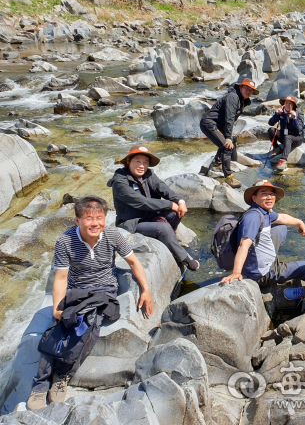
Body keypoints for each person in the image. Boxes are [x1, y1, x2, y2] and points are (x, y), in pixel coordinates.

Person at [26, 196, 153, 411]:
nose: (95, 223)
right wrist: (58, 307)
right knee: (59, 326)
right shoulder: (65, 241)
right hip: (77, 292)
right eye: (88, 218)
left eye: (99, 217)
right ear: (77, 221)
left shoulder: (113, 235)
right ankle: (40, 384)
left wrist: (146, 289)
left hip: (104, 291)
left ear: (105, 218)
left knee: (88, 326)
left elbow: (133, 262)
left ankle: (62, 376)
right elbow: (61, 278)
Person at [107, 145, 199, 272]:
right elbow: (142, 202)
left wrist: (179, 201)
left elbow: (163, 188)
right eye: (137, 161)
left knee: (175, 212)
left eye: (145, 162)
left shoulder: (148, 174)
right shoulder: (120, 182)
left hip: (150, 217)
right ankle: (185, 260)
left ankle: (169, 239)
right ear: (128, 161)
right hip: (132, 223)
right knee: (164, 228)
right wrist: (169, 204)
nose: (142, 166)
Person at [220, 180, 305, 287]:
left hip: (259, 262)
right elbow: (243, 245)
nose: (269, 197)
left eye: (271, 194)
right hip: (263, 273)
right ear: (254, 198)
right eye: (264, 194)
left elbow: (283, 218)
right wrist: (236, 272)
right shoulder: (253, 218)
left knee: (281, 227)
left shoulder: (263, 211)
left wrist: (299, 222)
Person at [199, 78, 259, 188]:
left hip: (217, 124)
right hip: (209, 124)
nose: (248, 92)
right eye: (246, 88)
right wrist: (227, 137)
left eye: (251, 90)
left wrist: (229, 137)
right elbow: (229, 118)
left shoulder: (241, 100)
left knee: (230, 141)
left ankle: (217, 163)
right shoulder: (233, 97)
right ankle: (228, 176)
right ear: (240, 87)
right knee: (227, 145)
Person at [268, 95, 305, 171]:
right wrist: (276, 115)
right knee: (271, 130)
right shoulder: (281, 112)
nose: (288, 105)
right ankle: (277, 148)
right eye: (286, 103)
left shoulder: (299, 114)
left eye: (290, 103)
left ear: (293, 106)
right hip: (284, 136)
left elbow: (299, 130)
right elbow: (271, 123)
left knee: (288, 137)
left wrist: (294, 119)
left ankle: (283, 161)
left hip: (296, 138)